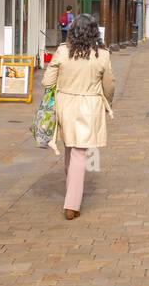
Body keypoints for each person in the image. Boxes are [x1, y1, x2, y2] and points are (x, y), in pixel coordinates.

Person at [42, 14, 114, 220]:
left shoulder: (63, 52)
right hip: (90, 105)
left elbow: (47, 81)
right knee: (79, 152)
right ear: (95, 32)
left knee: (70, 148)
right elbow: (109, 85)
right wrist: (108, 102)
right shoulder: (102, 55)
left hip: (65, 105)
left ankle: (71, 191)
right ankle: (72, 203)